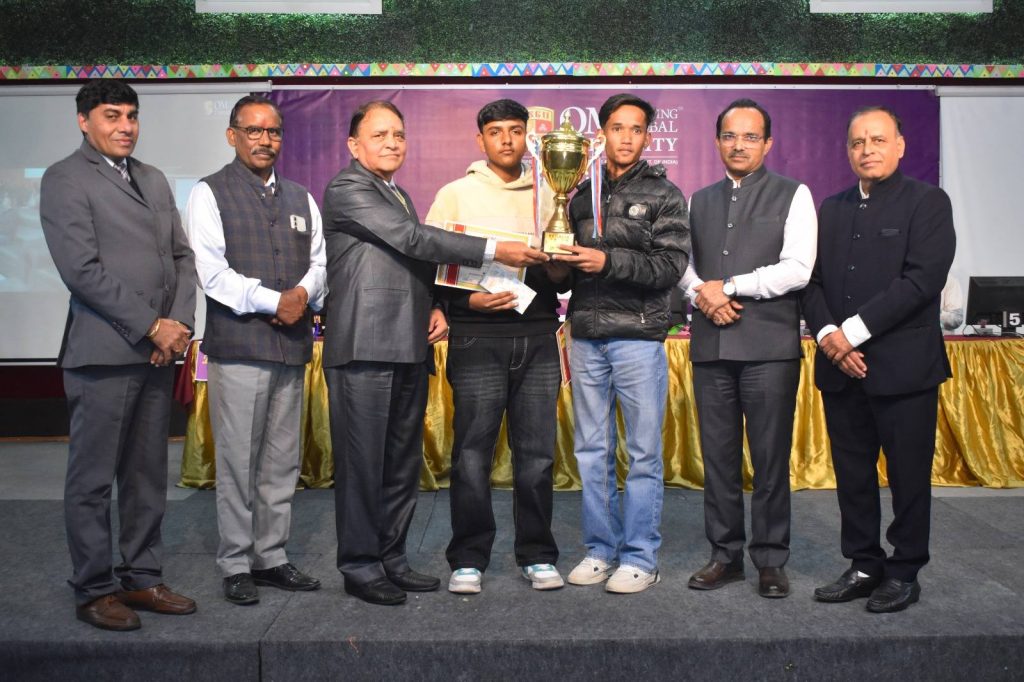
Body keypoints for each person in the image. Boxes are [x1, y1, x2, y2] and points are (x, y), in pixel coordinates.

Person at [321, 100, 549, 606]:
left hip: (408, 343)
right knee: (363, 465)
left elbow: (418, 262)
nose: (392, 143)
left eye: (399, 135)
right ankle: (360, 565)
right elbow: (412, 239)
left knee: (401, 464)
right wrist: (495, 249)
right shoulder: (347, 188)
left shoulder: (398, 192)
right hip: (364, 345)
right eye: (379, 135)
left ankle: (392, 558)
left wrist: (440, 305)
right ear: (354, 145)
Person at [39, 79, 197, 631]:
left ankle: (141, 577)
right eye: (112, 115)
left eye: (131, 115)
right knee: (92, 482)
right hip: (104, 354)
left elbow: (181, 258)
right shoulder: (65, 178)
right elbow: (81, 271)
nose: (125, 126)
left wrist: (177, 327)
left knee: (146, 477)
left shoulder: (151, 178)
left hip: (157, 352)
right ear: (84, 121)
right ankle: (93, 589)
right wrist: (152, 326)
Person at [800, 106, 955, 613]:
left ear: (900, 146)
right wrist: (829, 335)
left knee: (908, 477)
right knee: (853, 476)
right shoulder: (832, 208)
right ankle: (864, 563)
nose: (867, 150)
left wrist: (851, 333)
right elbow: (811, 282)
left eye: (878, 140)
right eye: (858, 142)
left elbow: (921, 280)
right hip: (839, 367)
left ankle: (905, 571)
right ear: (848, 151)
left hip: (903, 368)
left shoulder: (928, 202)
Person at [185, 95, 326, 605]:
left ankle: (271, 556)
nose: (265, 140)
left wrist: (303, 295)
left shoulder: (301, 197)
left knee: (282, 463)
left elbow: (320, 263)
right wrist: (276, 301)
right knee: (239, 463)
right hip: (240, 348)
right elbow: (211, 273)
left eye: (273, 131)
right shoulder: (208, 192)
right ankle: (236, 562)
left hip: (291, 348)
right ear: (232, 135)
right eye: (253, 130)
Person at [425, 99, 565, 594]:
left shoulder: (550, 193)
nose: (507, 139)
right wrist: (465, 303)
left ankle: (537, 554)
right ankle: (468, 557)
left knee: (537, 456)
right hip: (476, 337)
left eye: (515, 130)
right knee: (471, 455)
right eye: (496, 131)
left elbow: (563, 275)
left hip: (538, 335)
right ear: (480, 139)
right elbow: (431, 260)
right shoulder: (455, 194)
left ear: (528, 136)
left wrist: (555, 260)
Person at [679, 99, 817, 599]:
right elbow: (681, 264)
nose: (739, 145)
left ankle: (771, 560)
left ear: (768, 143)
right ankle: (725, 556)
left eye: (750, 136)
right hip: (711, 346)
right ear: (717, 141)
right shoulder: (697, 200)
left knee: (769, 459)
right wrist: (702, 293)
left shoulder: (794, 194)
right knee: (718, 459)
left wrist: (731, 287)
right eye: (730, 136)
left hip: (768, 349)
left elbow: (798, 268)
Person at [555, 93, 689, 594]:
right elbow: (568, 273)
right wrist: (555, 262)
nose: (626, 137)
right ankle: (599, 549)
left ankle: (640, 557)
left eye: (636, 129)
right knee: (591, 450)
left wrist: (607, 261)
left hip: (638, 337)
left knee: (643, 453)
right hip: (587, 337)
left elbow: (670, 267)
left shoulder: (665, 194)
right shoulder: (577, 194)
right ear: (602, 134)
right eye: (617, 127)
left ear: (648, 137)